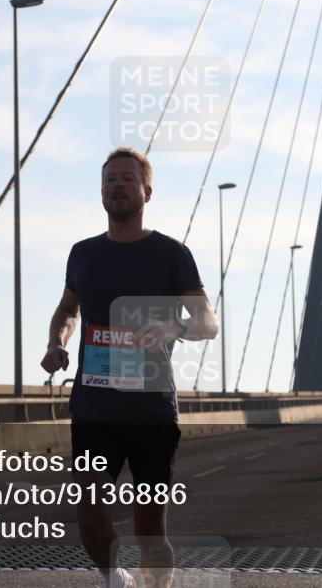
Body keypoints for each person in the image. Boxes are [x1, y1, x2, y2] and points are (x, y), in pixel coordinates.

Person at [41, 147, 219, 588]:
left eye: (126, 179)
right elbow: (68, 310)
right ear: (101, 190)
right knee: (89, 508)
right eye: (109, 180)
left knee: (148, 528)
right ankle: (111, 577)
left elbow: (207, 322)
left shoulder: (171, 254)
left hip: (151, 411)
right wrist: (56, 342)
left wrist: (171, 326)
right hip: (94, 406)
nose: (117, 186)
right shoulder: (82, 253)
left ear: (147, 192)